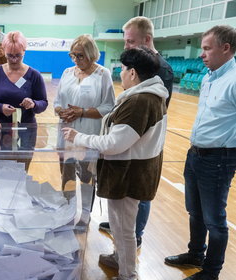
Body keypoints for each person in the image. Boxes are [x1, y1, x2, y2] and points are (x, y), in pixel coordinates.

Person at [63, 46, 168, 280]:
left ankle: (128, 274)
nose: (120, 74)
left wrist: (78, 137)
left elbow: (114, 143)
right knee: (120, 226)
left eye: (122, 69)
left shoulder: (141, 101)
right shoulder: (145, 95)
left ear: (132, 73)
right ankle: (119, 258)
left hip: (129, 173)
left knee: (124, 229)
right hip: (128, 169)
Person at [164, 25, 236, 280]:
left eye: (207, 48)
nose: (201, 54)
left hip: (219, 158)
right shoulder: (208, 76)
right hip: (195, 153)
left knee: (214, 219)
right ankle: (196, 254)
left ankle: (211, 271)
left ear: (225, 48)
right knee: (195, 211)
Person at [98, 16, 174, 249]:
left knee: (136, 197)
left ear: (147, 39)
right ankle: (124, 228)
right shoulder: (144, 66)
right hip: (129, 145)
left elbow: (152, 113)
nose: (126, 46)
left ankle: (135, 233)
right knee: (125, 207)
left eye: (130, 42)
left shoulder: (160, 70)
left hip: (139, 150)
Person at [54, 34, 115, 189]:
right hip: (66, 133)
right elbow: (57, 102)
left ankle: (85, 212)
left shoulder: (102, 74)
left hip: (89, 134)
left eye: (80, 56)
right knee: (67, 179)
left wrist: (82, 112)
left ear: (91, 54)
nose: (75, 59)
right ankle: (67, 209)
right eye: (73, 55)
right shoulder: (67, 72)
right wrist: (61, 111)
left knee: (86, 180)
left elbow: (109, 106)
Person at [0, 31, 48, 170]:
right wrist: (0, 108)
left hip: (26, 131)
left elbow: (43, 103)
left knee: (21, 172)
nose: (13, 59)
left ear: (24, 51)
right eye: (10, 55)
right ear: (4, 51)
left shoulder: (34, 75)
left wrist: (33, 104)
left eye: (18, 55)